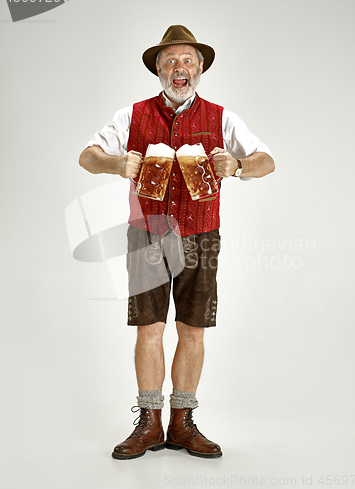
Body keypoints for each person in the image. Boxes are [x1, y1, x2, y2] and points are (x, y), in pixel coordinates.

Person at [79, 25, 275, 460]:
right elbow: (87, 155)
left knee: (193, 329)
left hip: (201, 235)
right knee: (150, 329)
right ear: (158, 70)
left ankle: (181, 423)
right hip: (147, 234)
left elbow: (267, 161)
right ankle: (149, 423)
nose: (178, 68)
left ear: (200, 68)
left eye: (187, 60)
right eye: (170, 61)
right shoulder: (132, 114)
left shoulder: (222, 117)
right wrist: (116, 163)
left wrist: (238, 164)